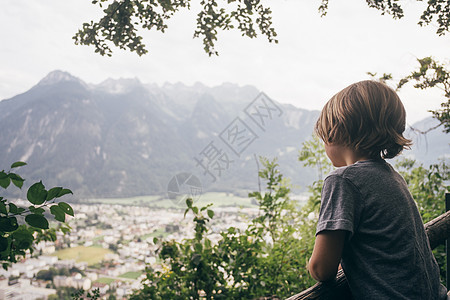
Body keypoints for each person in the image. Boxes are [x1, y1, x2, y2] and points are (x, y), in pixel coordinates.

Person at [307, 80, 447, 299]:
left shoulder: (343, 180)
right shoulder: (391, 177)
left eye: (324, 135)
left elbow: (321, 269)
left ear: (336, 132)